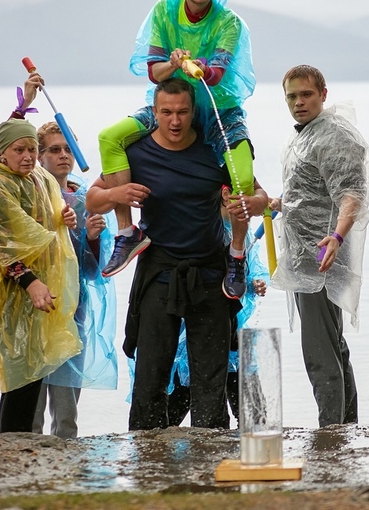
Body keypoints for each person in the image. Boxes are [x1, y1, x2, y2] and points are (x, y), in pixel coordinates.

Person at [86, 78, 269, 431]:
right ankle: (145, 451)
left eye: (183, 112)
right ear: (154, 113)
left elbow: (261, 196)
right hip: (159, 271)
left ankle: (211, 454)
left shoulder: (215, 150)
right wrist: (118, 193)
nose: (175, 121)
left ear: (193, 112)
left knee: (210, 376)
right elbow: (93, 199)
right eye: (166, 112)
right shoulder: (136, 152)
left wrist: (247, 203)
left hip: (211, 273)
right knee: (151, 373)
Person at [97, 0, 257, 301]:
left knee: (242, 177)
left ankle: (237, 254)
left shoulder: (228, 23)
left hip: (218, 108)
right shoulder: (163, 12)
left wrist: (193, 63)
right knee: (110, 137)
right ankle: (126, 232)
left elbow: (214, 74)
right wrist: (173, 61)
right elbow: (154, 72)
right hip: (170, 106)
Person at [270, 65, 369, 427]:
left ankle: (331, 432)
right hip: (307, 258)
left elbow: (352, 194)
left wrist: (339, 235)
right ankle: (345, 427)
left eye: (306, 95)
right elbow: (308, 196)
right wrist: (275, 203)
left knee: (320, 352)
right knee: (333, 346)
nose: (299, 102)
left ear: (323, 94)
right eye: (292, 96)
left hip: (324, 259)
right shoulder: (307, 136)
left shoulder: (332, 136)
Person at [0, 84, 83, 434]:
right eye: (19, 150)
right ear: (3, 153)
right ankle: (11, 445)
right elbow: (5, 242)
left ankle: (23, 446)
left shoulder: (37, 179)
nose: (27, 156)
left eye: (31, 149)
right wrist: (29, 281)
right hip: (15, 293)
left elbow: (46, 218)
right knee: (18, 375)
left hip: (41, 293)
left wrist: (63, 218)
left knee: (34, 372)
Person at [32, 121, 118, 439]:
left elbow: (95, 270)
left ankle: (67, 465)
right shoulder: (29, 194)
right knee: (32, 403)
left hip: (73, 310)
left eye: (69, 148)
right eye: (54, 149)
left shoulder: (84, 199)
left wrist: (92, 237)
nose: (63, 155)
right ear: (40, 156)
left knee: (67, 408)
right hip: (35, 308)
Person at [165, 185, 269, 427]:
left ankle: (252, 440)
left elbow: (249, 271)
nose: (245, 204)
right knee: (181, 399)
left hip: (234, 328)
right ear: (225, 194)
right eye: (239, 195)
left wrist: (255, 284)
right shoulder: (202, 229)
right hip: (195, 331)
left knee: (253, 413)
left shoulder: (242, 232)